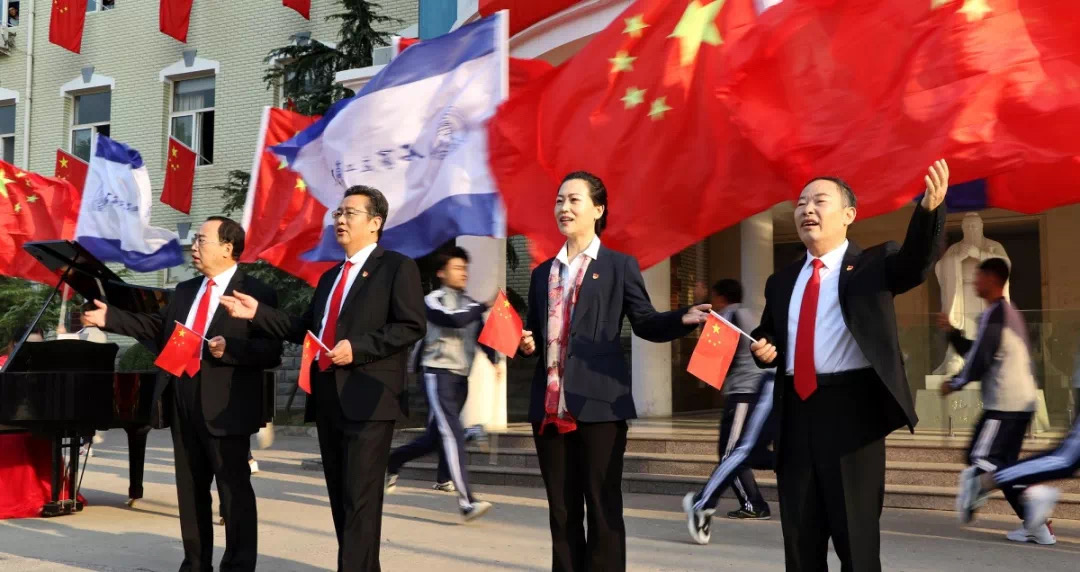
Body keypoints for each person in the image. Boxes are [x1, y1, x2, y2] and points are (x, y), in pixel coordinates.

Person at [748, 160, 950, 571]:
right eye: (801, 203)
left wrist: (929, 211)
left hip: (852, 415)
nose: (807, 209)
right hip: (795, 415)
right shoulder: (782, 281)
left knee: (855, 541)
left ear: (849, 215)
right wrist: (764, 347)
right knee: (800, 542)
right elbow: (770, 333)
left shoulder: (874, 265)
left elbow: (915, 262)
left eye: (819, 201)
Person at [220, 185, 425, 572]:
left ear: (375, 222)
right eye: (338, 213)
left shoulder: (397, 267)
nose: (340, 220)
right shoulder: (331, 277)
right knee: (340, 496)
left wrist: (358, 348)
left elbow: (411, 325)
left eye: (350, 213)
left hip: (369, 397)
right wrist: (258, 313)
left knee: (360, 499)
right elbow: (305, 328)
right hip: (329, 395)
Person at [518, 171, 710, 572]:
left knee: (603, 505)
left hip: (601, 404)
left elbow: (645, 322)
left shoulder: (619, 266)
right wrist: (525, 342)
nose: (564, 208)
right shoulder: (542, 273)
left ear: (598, 209)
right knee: (562, 510)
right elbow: (534, 332)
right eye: (559, 200)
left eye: (574, 200)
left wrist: (682, 318)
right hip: (550, 407)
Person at [82, 216, 282, 572]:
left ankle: (238, 566)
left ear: (227, 247)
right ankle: (195, 563)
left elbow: (271, 351)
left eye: (202, 239)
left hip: (226, 406)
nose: (194, 246)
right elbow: (157, 327)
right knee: (190, 491)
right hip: (182, 397)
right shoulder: (187, 290)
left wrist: (231, 349)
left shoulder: (256, 292)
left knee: (233, 491)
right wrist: (110, 318)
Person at [936, 258, 1046, 543]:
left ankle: (1032, 501)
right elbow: (978, 350)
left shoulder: (997, 315)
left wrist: (955, 383)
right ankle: (1037, 525)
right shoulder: (1005, 313)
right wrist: (952, 333)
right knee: (1003, 463)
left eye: (978, 276)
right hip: (1019, 403)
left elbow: (981, 359)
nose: (974, 281)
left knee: (980, 458)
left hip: (1005, 404)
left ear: (992, 279)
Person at [385, 246, 495, 521]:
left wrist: (494, 359)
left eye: (465, 268)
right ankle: (467, 502)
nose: (463, 273)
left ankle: (394, 460)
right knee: (452, 434)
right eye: (457, 268)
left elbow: (482, 336)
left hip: (460, 379)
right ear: (441, 273)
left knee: (434, 438)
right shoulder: (432, 301)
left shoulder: (469, 303)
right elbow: (452, 319)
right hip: (437, 375)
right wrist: (483, 305)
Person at [682, 279, 776, 544]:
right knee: (737, 452)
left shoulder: (729, 317)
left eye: (712, 296)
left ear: (720, 297)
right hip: (756, 391)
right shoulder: (749, 314)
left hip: (746, 392)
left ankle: (727, 503)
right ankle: (753, 503)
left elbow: (715, 355)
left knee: (735, 453)